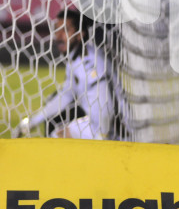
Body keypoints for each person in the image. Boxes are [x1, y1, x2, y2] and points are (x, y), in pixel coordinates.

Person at [12, 9, 113, 140]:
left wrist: (101, 138)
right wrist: (32, 121)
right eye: (57, 30)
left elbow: (105, 109)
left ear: (79, 34)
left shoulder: (90, 66)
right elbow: (66, 94)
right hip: (97, 124)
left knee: (56, 136)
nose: (59, 36)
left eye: (65, 30)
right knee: (55, 115)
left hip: (108, 130)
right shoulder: (76, 58)